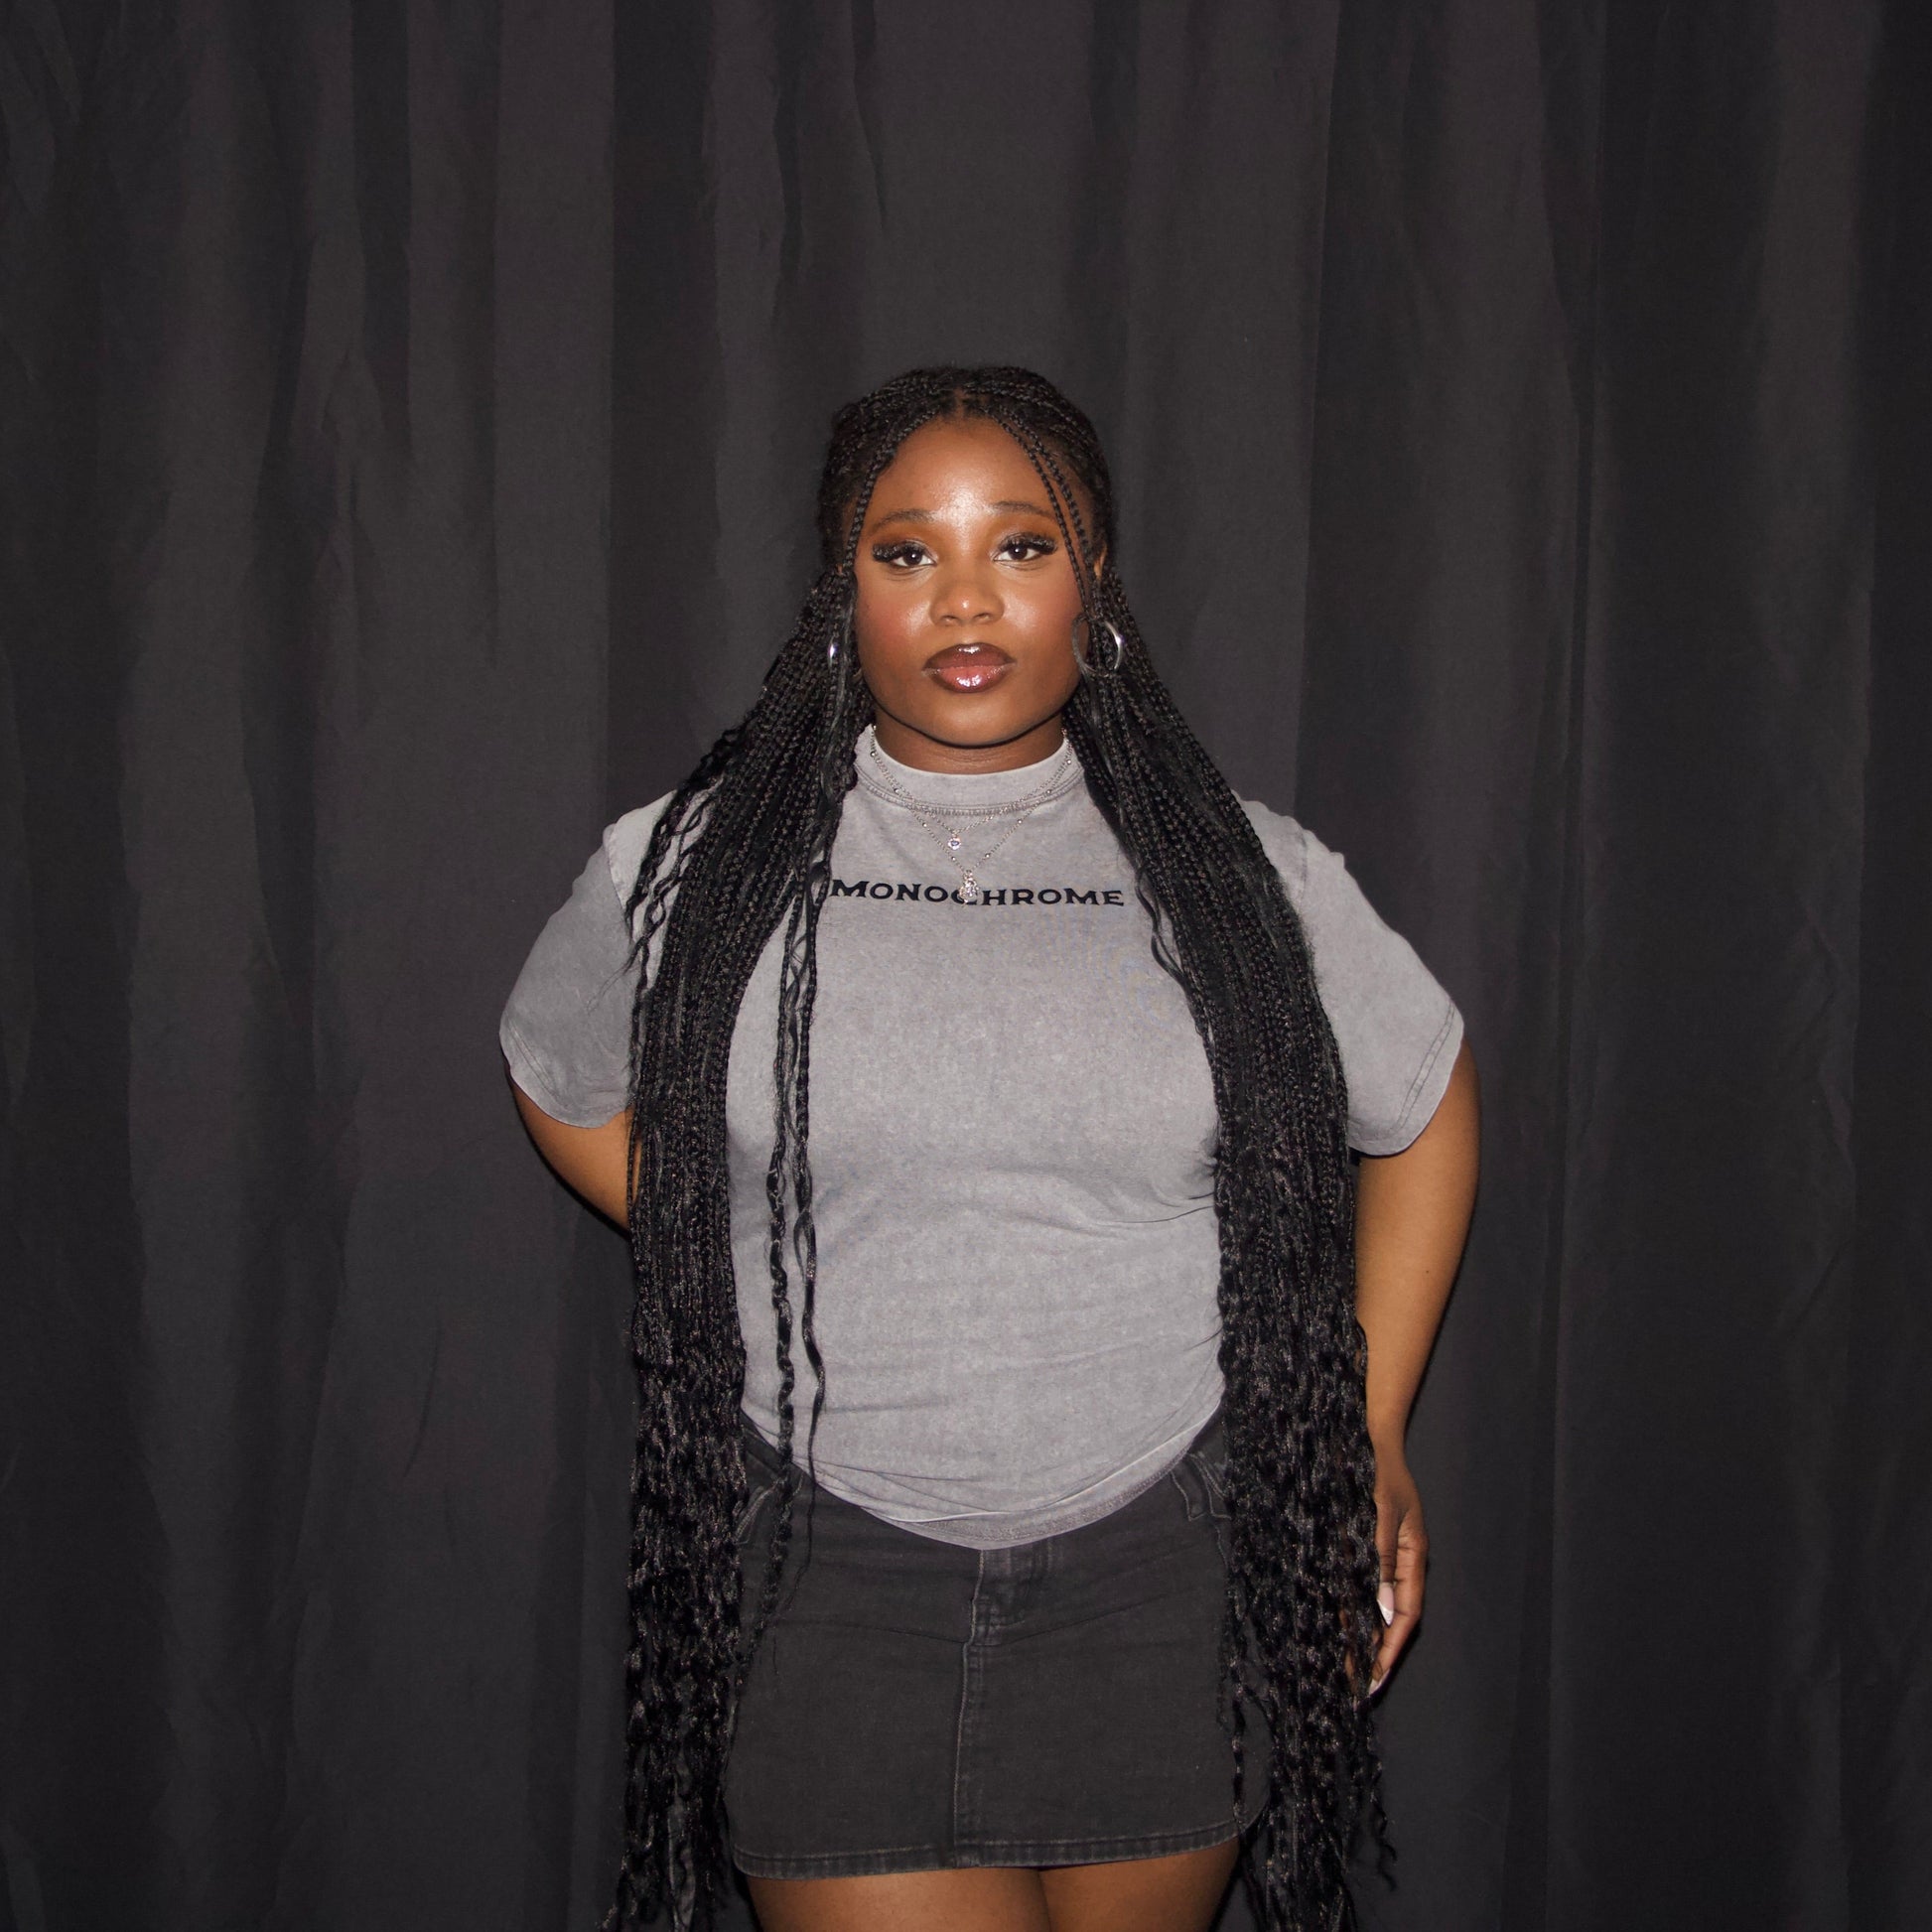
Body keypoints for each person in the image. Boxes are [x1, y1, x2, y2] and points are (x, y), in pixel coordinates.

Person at [498, 366, 1479, 1932]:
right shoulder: (683, 867)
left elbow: (1421, 1102)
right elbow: (558, 1073)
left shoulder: (1244, 872)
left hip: (1167, 1577)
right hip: (822, 1577)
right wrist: (713, 1227)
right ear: (842, 596)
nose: (966, 596)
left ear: (1095, 584)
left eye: (1021, 545)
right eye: (906, 551)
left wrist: (1371, 1423)